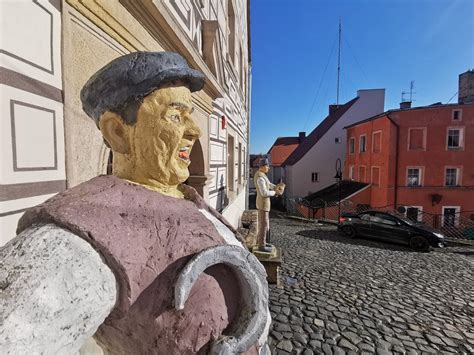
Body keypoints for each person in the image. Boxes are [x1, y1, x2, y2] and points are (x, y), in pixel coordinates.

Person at [0, 52, 270, 355]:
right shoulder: (77, 237)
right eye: (176, 115)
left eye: (191, 115)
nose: (194, 130)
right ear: (117, 132)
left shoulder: (188, 198)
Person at [253, 158, 285, 253]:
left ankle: (263, 242)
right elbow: (264, 193)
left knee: (265, 224)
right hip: (263, 204)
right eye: (267, 166)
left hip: (264, 204)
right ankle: (261, 245)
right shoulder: (260, 178)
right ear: (262, 167)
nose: (269, 168)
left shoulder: (262, 175)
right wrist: (275, 192)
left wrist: (275, 186)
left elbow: (269, 184)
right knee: (263, 224)